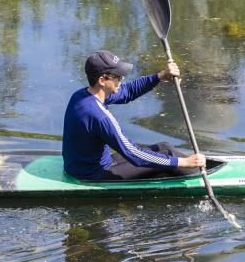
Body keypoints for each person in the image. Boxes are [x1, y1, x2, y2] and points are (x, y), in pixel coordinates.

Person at [62, 50, 205, 181]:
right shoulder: (100, 116)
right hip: (92, 174)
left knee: (164, 147)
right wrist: (183, 162)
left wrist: (160, 76)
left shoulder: (83, 95)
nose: (121, 79)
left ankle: (196, 167)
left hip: (83, 165)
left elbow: (127, 92)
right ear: (102, 80)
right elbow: (134, 154)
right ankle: (200, 177)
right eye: (117, 76)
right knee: (171, 159)